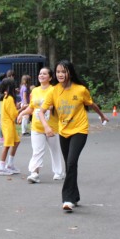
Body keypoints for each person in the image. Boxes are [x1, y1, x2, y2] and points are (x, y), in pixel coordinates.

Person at [37, 60, 108, 213]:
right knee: (70, 165)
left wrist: (102, 116)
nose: (60, 74)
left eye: (63, 71)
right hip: (64, 131)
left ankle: (67, 199)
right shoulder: (53, 91)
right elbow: (41, 112)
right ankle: (74, 196)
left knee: (71, 162)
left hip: (80, 130)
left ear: (70, 72)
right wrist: (47, 126)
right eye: (58, 72)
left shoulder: (80, 90)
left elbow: (91, 104)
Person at [18, 67, 64, 184]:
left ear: (50, 77)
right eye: (40, 74)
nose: (41, 75)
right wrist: (22, 113)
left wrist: (51, 107)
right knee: (37, 151)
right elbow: (31, 107)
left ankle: (58, 172)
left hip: (51, 127)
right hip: (37, 126)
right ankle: (34, 173)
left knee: (55, 150)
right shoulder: (35, 91)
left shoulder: (54, 90)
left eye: (44, 74)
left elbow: (60, 106)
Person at [0, 79, 21, 175]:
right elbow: (13, 114)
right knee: (7, 145)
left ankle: (10, 164)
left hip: (7, 123)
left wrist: (16, 107)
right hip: (8, 125)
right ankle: (1, 167)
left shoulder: (5, 96)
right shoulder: (9, 98)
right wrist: (22, 109)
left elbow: (10, 110)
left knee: (16, 142)